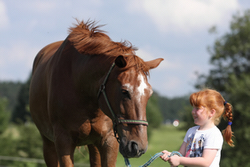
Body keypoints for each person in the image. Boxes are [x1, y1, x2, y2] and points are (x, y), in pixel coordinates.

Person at [160, 88, 234, 167]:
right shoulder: (191, 131)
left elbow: (205, 162)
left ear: (211, 112)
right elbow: (181, 154)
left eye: (197, 108)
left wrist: (179, 160)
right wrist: (171, 155)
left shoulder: (213, 134)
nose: (193, 111)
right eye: (193, 107)